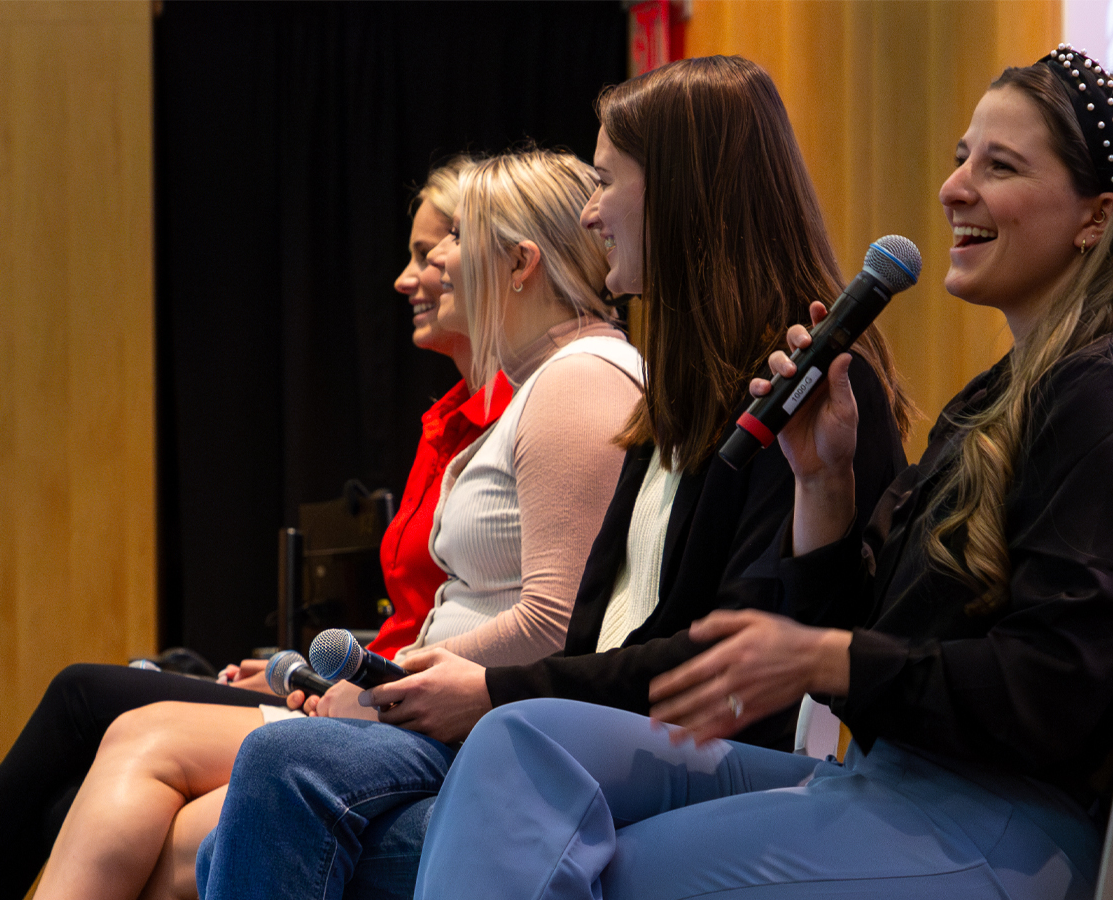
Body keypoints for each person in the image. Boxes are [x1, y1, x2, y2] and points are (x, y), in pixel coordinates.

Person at [410, 46, 1113, 900]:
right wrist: (822, 490)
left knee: (607, 866)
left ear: (1097, 217)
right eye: (961, 158)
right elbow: (886, 640)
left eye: (999, 166)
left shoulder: (1107, 403)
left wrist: (828, 658)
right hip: (887, 782)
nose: (954, 188)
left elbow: (1055, 691)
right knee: (521, 741)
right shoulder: (1003, 395)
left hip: (997, 826)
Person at [192, 55, 913, 900]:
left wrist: (495, 692)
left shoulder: (807, 394)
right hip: (587, 738)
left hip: (672, 759)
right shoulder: (679, 399)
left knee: (277, 778)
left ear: (682, 193)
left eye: (608, 180)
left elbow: (727, 664)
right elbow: (606, 634)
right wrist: (457, 690)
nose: (591, 210)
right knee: (250, 801)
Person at [0, 158, 510, 900]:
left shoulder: (533, 408)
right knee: (90, 776)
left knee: (89, 703)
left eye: (428, 255)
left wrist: (356, 685)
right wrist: (320, 669)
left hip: (406, 708)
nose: (406, 279)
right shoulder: (452, 421)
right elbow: (435, 618)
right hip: (380, 686)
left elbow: (525, 621)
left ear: (505, 261)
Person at [32, 149, 641, 900]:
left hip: (483, 728)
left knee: (188, 828)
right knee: (162, 807)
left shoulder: (578, 382)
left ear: (519, 264)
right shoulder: (548, 384)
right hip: (448, 711)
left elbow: (555, 622)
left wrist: (380, 688)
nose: (442, 264)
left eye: (460, 241)